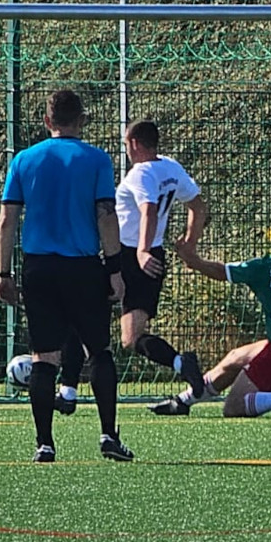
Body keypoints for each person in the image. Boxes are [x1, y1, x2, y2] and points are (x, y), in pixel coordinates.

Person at [0, 88, 133, 463]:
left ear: (47, 121)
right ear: (81, 120)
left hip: (39, 267)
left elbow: (7, 219)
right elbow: (106, 215)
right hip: (82, 267)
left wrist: (4, 272)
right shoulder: (96, 159)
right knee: (99, 350)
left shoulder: (24, 159)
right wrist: (114, 268)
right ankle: (108, 436)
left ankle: (45, 443)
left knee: (44, 356)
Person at [53, 119, 208, 414]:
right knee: (130, 338)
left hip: (126, 255)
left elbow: (148, 210)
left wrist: (141, 250)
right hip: (154, 257)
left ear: (134, 144)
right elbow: (198, 206)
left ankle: (67, 392)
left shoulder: (140, 173)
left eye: (125, 144)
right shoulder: (171, 167)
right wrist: (189, 242)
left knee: (77, 314)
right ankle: (181, 363)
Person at [150, 210, 271, 418]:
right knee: (235, 357)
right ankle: (183, 401)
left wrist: (194, 261)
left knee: (234, 407)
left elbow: (222, 272)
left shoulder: (267, 265)